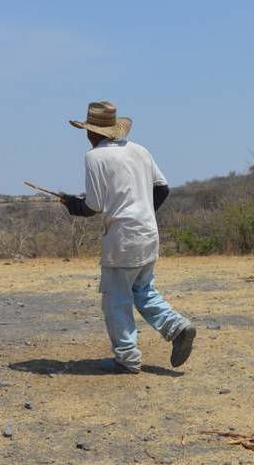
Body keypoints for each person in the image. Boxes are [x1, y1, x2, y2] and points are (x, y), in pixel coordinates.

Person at [61, 101, 195, 374]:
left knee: (116, 299)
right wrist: (142, 211)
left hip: (122, 239)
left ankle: (127, 358)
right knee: (143, 290)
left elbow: (94, 205)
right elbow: (163, 188)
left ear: (91, 131)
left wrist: (73, 205)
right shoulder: (140, 150)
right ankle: (177, 327)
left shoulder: (94, 157)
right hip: (148, 233)